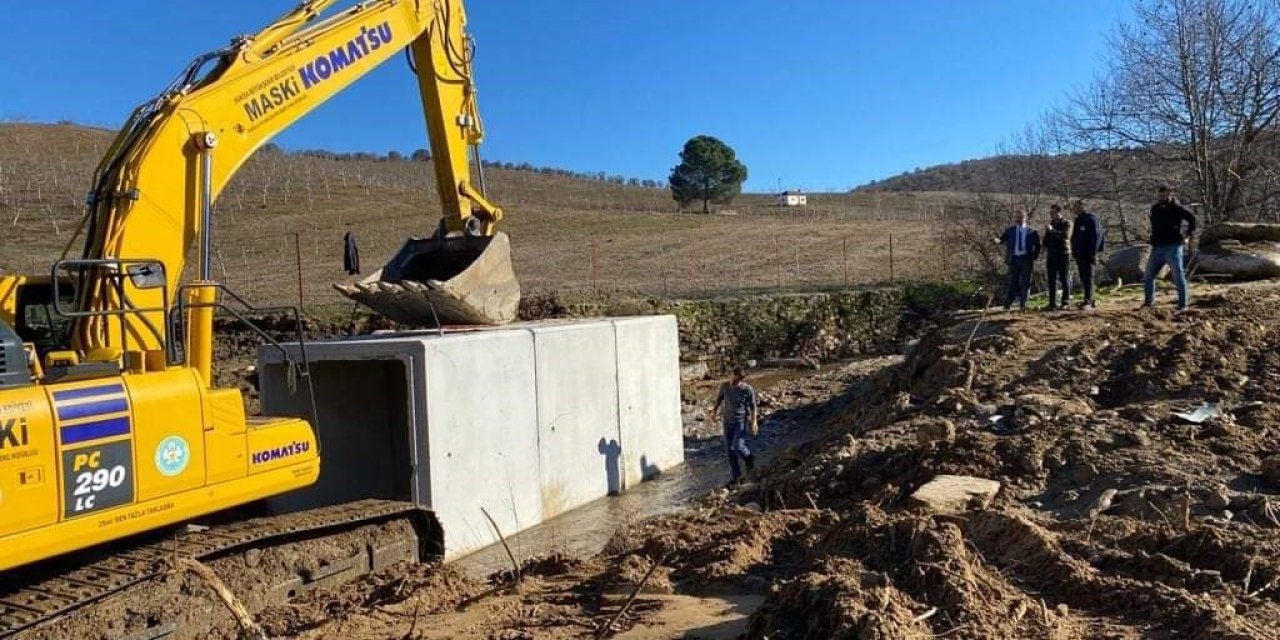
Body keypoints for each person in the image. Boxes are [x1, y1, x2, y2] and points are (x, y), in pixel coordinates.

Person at [1143, 185, 1197, 311]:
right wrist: (1151, 238)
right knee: (1148, 275)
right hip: (1157, 247)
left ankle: (1183, 305)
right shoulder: (1155, 209)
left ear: (1170, 194)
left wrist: (1188, 235)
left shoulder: (1176, 208)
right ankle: (1148, 303)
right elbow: (1155, 226)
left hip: (1173, 246)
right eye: (1160, 195)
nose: (1162, 197)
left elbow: (1192, 219)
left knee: (1178, 276)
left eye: (1165, 195)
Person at [710, 366, 758, 486]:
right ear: (733, 375)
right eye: (737, 378)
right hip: (727, 421)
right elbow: (719, 399)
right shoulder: (724, 386)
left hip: (741, 421)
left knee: (738, 446)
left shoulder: (747, 389)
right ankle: (736, 476)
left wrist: (754, 422)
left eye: (742, 379)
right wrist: (714, 411)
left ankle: (749, 458)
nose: (739, 382)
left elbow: (753, 406)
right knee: (729, 450)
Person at [994, 208, 1040, 311]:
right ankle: (1007, 305)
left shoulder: (1032, 232)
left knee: (1026, 282)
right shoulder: (1010, 230)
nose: (1018, 219)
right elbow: (1001, 240)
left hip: (1026, 259)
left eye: (1021, 217)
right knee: (1013, 282)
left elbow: (1037, 246)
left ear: (1025, 218)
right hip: (1014, 260)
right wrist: (996, 241)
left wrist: (1034, 256)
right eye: (1017, 217)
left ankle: (1023, 305)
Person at [1069, 199, 1105, 309]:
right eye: (1074, 207)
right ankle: (1088, 299)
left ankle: (1089, 301)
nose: (1075, 209)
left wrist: (1093, 253)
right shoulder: (1078, 220)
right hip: (1080, 254)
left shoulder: (1091, 219)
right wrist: (1074, 252)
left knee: (1088, 277)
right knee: (1083, 277)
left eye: (1077, 207)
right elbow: (1075, 238)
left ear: (1083, 207)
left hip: (1089, 254)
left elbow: (1097, 237)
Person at [1043, 204, 1073, 310]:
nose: (1051, 215)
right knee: (1051, 279)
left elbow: (1065, 237)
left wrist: (1052, 231)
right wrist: (1047, 233)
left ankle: (1065, 302)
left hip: (1063, 254)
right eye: (1050, 213)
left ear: (1059, 212)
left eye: (1053, 212)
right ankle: (1052, 303)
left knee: (1064, 278)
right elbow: (1045, 242)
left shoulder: (1067, 223)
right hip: (1051, 254)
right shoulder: (1051, 224)